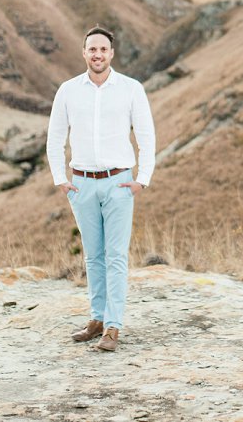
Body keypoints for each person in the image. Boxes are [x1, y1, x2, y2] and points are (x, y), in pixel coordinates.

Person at [46, 25, 155, 352]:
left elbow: (146, 137)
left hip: (119, 182)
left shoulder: (131, 89)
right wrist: (60, 179)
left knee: (116, 256)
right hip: (81, 185)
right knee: (93, 256)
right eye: (92, 49)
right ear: (84, 53)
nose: (97, 54)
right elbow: (55, 138)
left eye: (103, 50)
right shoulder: (68, 90)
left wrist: (142, 179)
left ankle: (113, 326)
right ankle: (96, 319)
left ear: (111, 54)